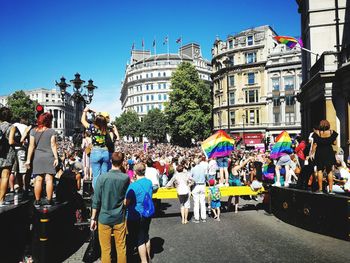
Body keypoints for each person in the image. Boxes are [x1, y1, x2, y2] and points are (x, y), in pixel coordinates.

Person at [90, 152, 130, 263]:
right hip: (119, 217)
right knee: (121, 248)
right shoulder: (125, 178)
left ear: (111, 161)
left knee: (105, 249)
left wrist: (93, 218)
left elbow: (96, 200)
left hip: (104, 217)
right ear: (122, 162)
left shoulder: (102, 178)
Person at [25, 112, 58, 207]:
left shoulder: (33, 131)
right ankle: (49, 200)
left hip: (37, 157)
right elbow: (53, 145)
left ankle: (37, 200)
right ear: (49, 121)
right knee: (49, 179)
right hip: (49, 156)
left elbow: (31, 146)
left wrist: (28, 160)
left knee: (38, 179)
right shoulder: (51, 131)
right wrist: (56, 158)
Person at [125, 162, 154, 263]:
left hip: (136, 215)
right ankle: (148, 256)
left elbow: (126, 202)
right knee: (146, 235)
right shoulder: (149, 182)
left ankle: (144, 260)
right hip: (147, 213)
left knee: (139, 239)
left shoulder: (133, 186)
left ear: (135, 172)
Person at [81, 107, 109, 189]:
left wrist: (85, 111)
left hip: (96, 151)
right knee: (104, 175)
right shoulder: (105, 127)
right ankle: (104, 191)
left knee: (96, 176)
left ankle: (97, 193)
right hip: (105, 151)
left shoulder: (92, 127)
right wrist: (96, 112)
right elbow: (103, 119)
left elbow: (83, 121)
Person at [310, 120, 338, 194]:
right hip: (329, 152)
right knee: (329, 171)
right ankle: (331, 190)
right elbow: (335, 143)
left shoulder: (317, 133)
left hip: (320, 153)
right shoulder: (332, 132)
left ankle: (320, 189)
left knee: (320, 170)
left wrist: (312, 153)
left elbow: (315, 144)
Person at [0, 107, 15, 206]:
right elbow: (11, 141)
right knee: (5, 176)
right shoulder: (11, 126)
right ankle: (1, 200)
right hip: (7, 154)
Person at [190, 158, 207, 223]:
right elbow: (206, 176)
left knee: (196, 203)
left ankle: (197, 218)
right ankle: (203, 218)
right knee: (202, 202)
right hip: (202, 185)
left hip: (196, 185)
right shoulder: (203, 168)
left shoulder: (193, 169)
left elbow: (190, 177)